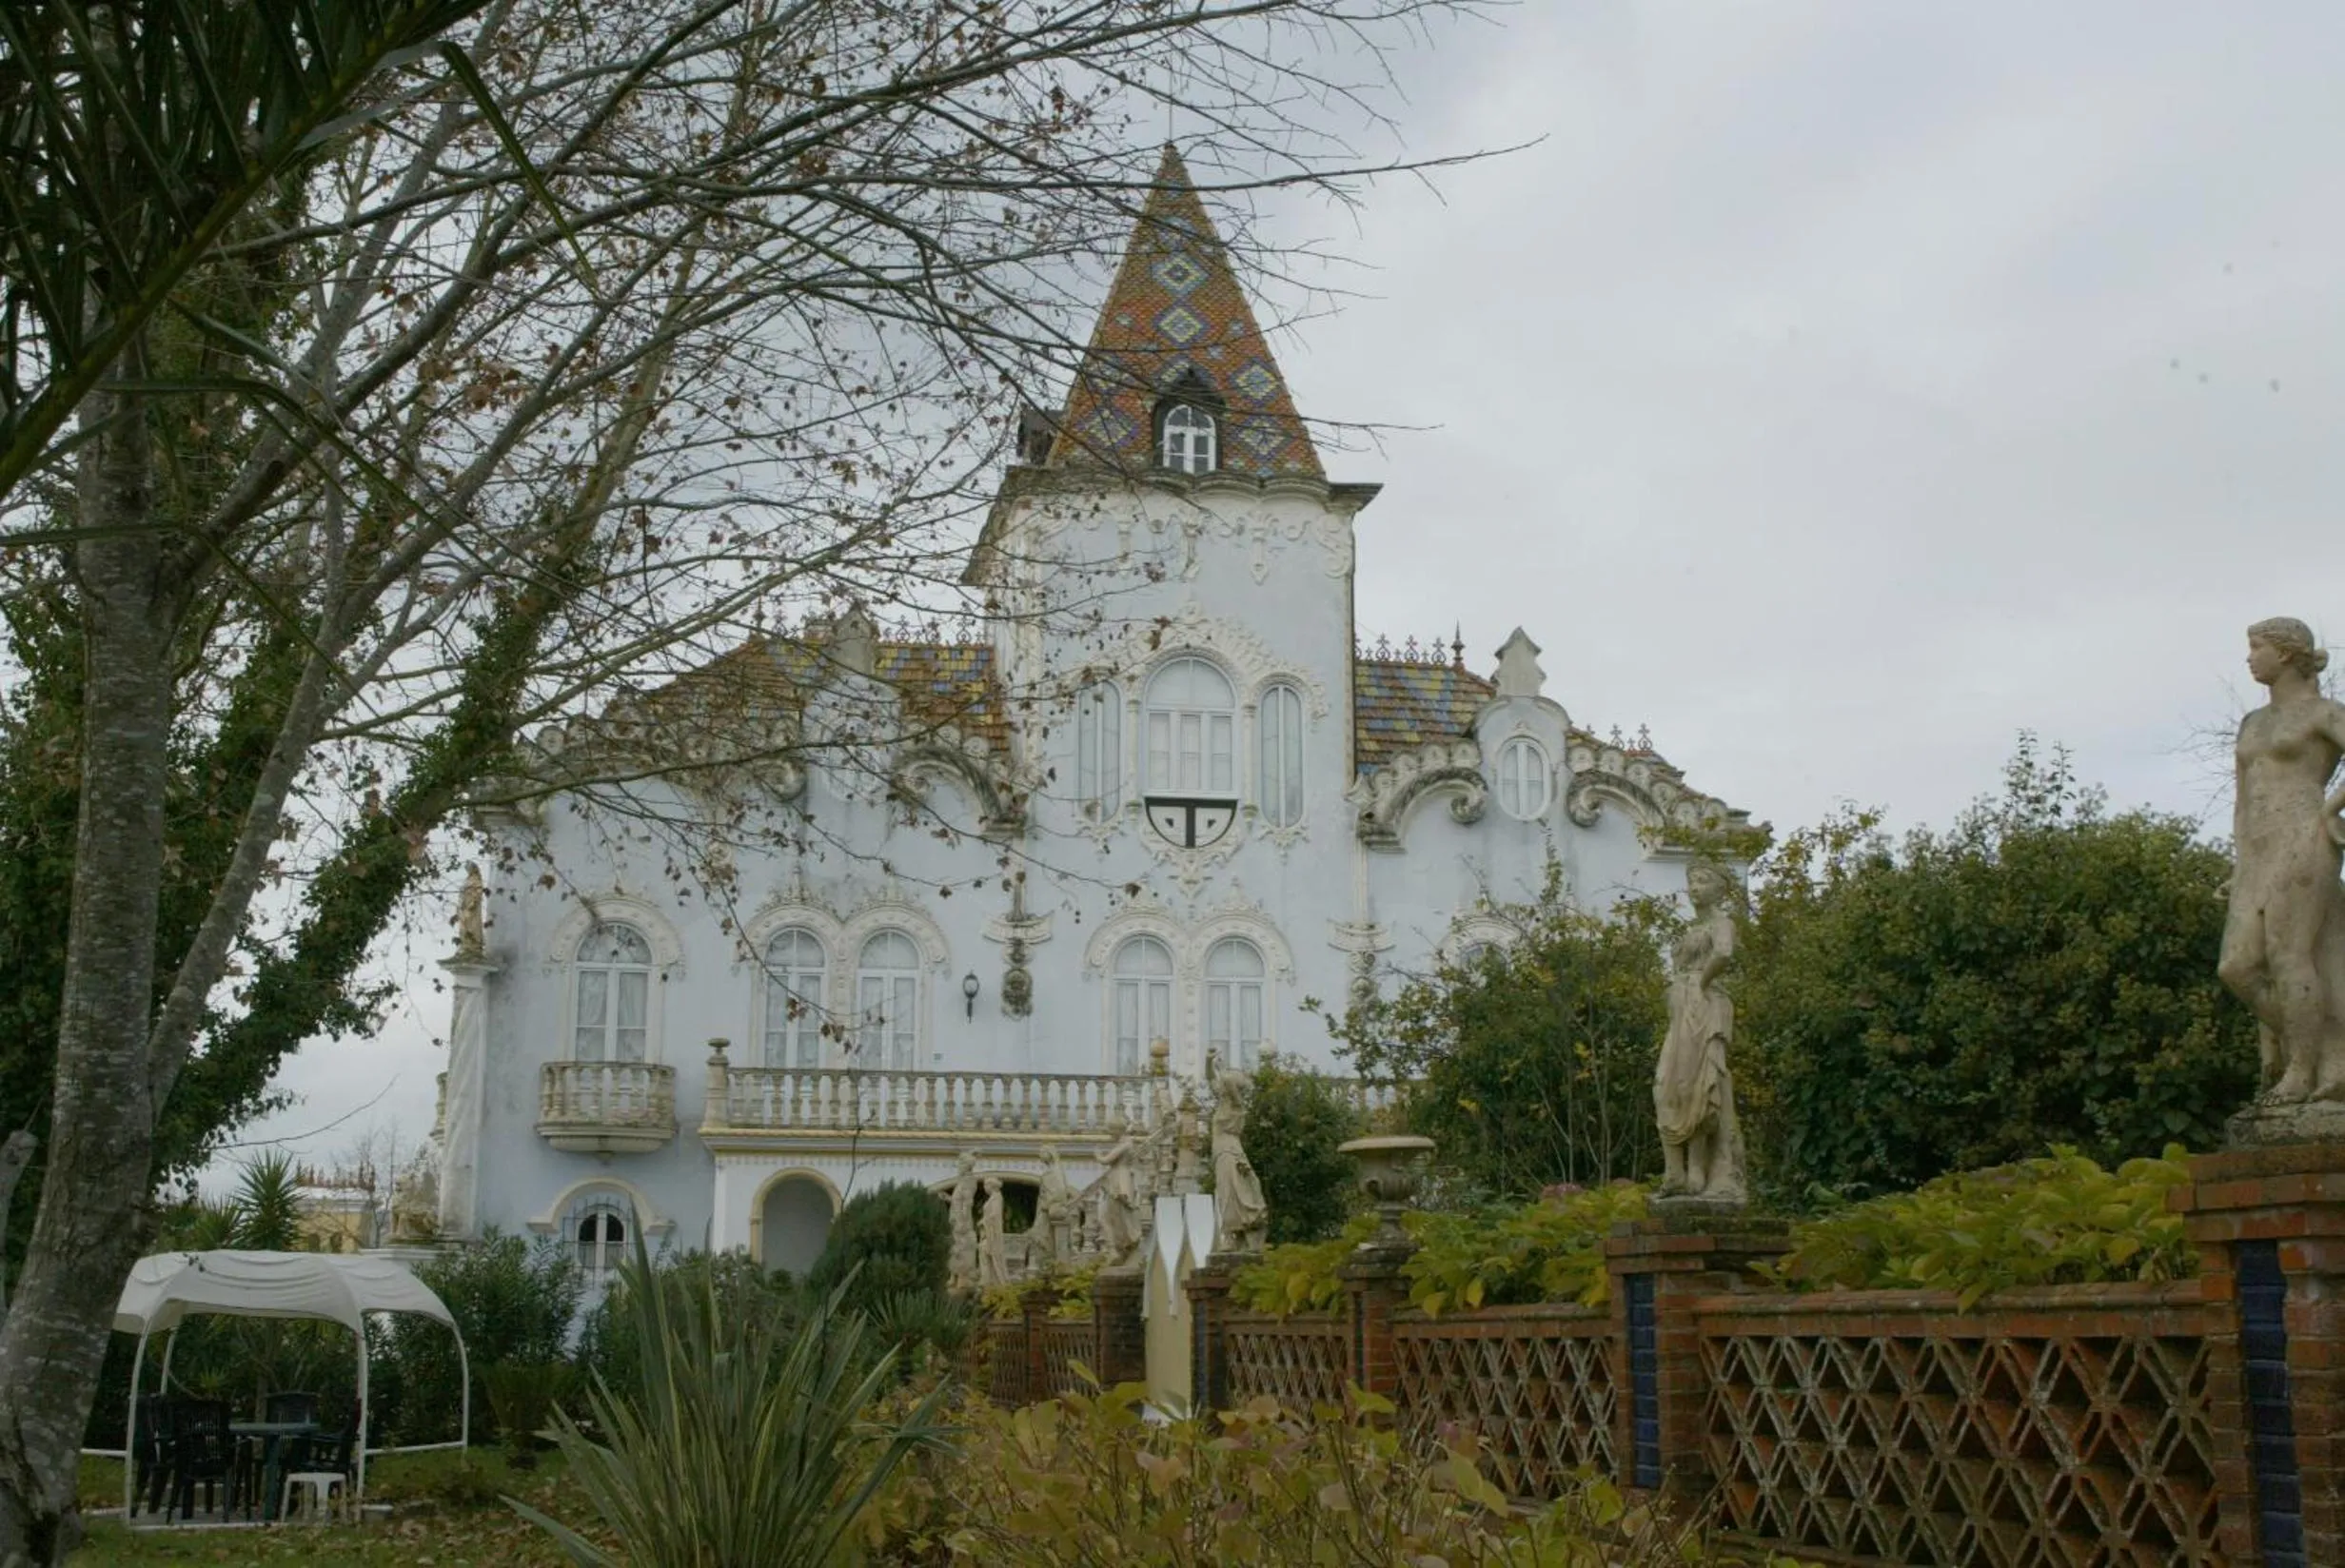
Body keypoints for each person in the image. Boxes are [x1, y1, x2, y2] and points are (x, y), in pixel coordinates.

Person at [2219, 616, 2345, 1104]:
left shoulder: (2323, 713)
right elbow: (2241, 798)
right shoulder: (2252, 723)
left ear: (2287, 653)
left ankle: (2301, 1069)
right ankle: (2326, 1043)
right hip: (2258, 848)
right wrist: (2239, 862)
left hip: (2303, 835)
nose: (2249, 657)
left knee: (2289, 954)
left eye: (2256, 647)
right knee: (2236, 966)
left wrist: (2332, 807)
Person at [1653, 860, 1744, 1205]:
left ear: (1719, 887)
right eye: (1691, 881)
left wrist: (1700, 984)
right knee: (1669, 1083)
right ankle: (1676, 1170)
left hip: (1704, 1008)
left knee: (1702, 1082)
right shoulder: (1695, 926)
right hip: (1683, 1012)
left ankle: (1699, 1171)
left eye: (1703, 880)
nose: (1694, 887)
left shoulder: (1721, 922)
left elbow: (1724, 952)